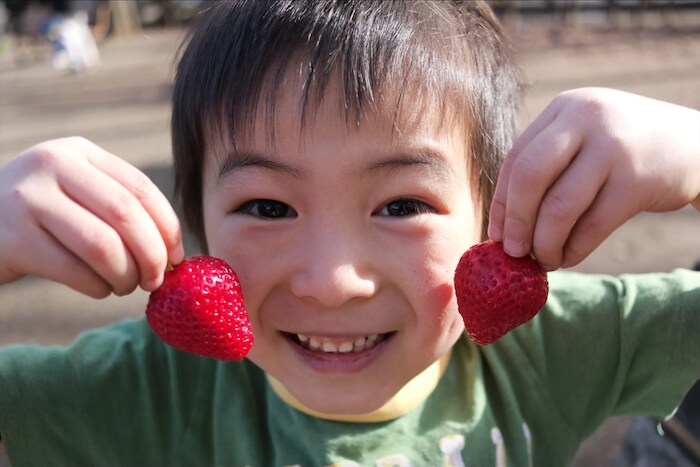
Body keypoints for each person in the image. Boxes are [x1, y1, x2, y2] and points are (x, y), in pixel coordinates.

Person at [0, 1, 699, 465]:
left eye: (401, 205)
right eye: (269, 208)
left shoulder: (547, 352)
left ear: (494, 213)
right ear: (198, 223)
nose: (334, 280)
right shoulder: (154, 389)